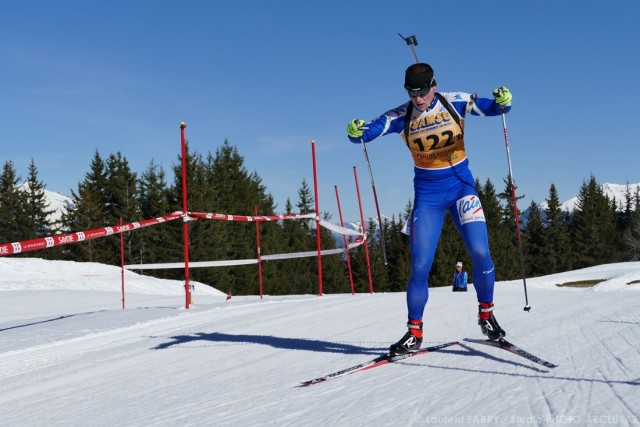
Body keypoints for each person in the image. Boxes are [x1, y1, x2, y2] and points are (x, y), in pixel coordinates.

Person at [346, 62, 509, 355]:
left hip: (461, 187)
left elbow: (491, 108)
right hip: (428, 195)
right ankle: (414, 332)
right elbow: (368, 132)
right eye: (412, 93)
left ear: (433, 85)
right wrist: (356, 131)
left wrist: (503, 102)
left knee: (481, 252)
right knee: (420, 265)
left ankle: (486, 315)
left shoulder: (453, 101)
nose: (418, 98)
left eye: (422, 91)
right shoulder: (403, 114)